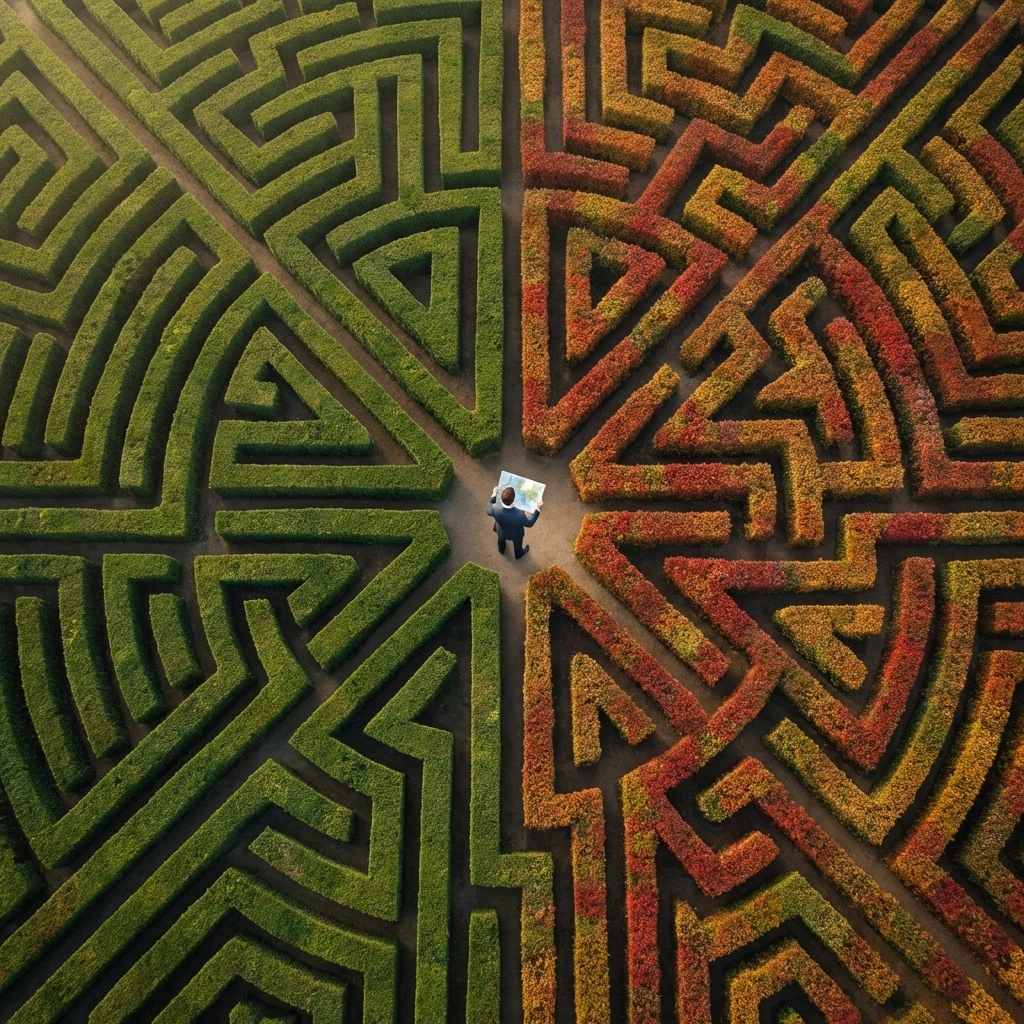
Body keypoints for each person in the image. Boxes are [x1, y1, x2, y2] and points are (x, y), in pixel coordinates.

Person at [487, 485, 542, 559]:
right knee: (518, 544)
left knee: (501, 539)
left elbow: (488, 509)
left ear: (501, 498)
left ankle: (501, 549)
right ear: (513, 500)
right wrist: (537, 509)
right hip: (515, 534)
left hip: (501, 530)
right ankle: (518, 554)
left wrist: (494, 494)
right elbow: (529, 523)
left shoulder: (494, 507)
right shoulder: (519, 514)